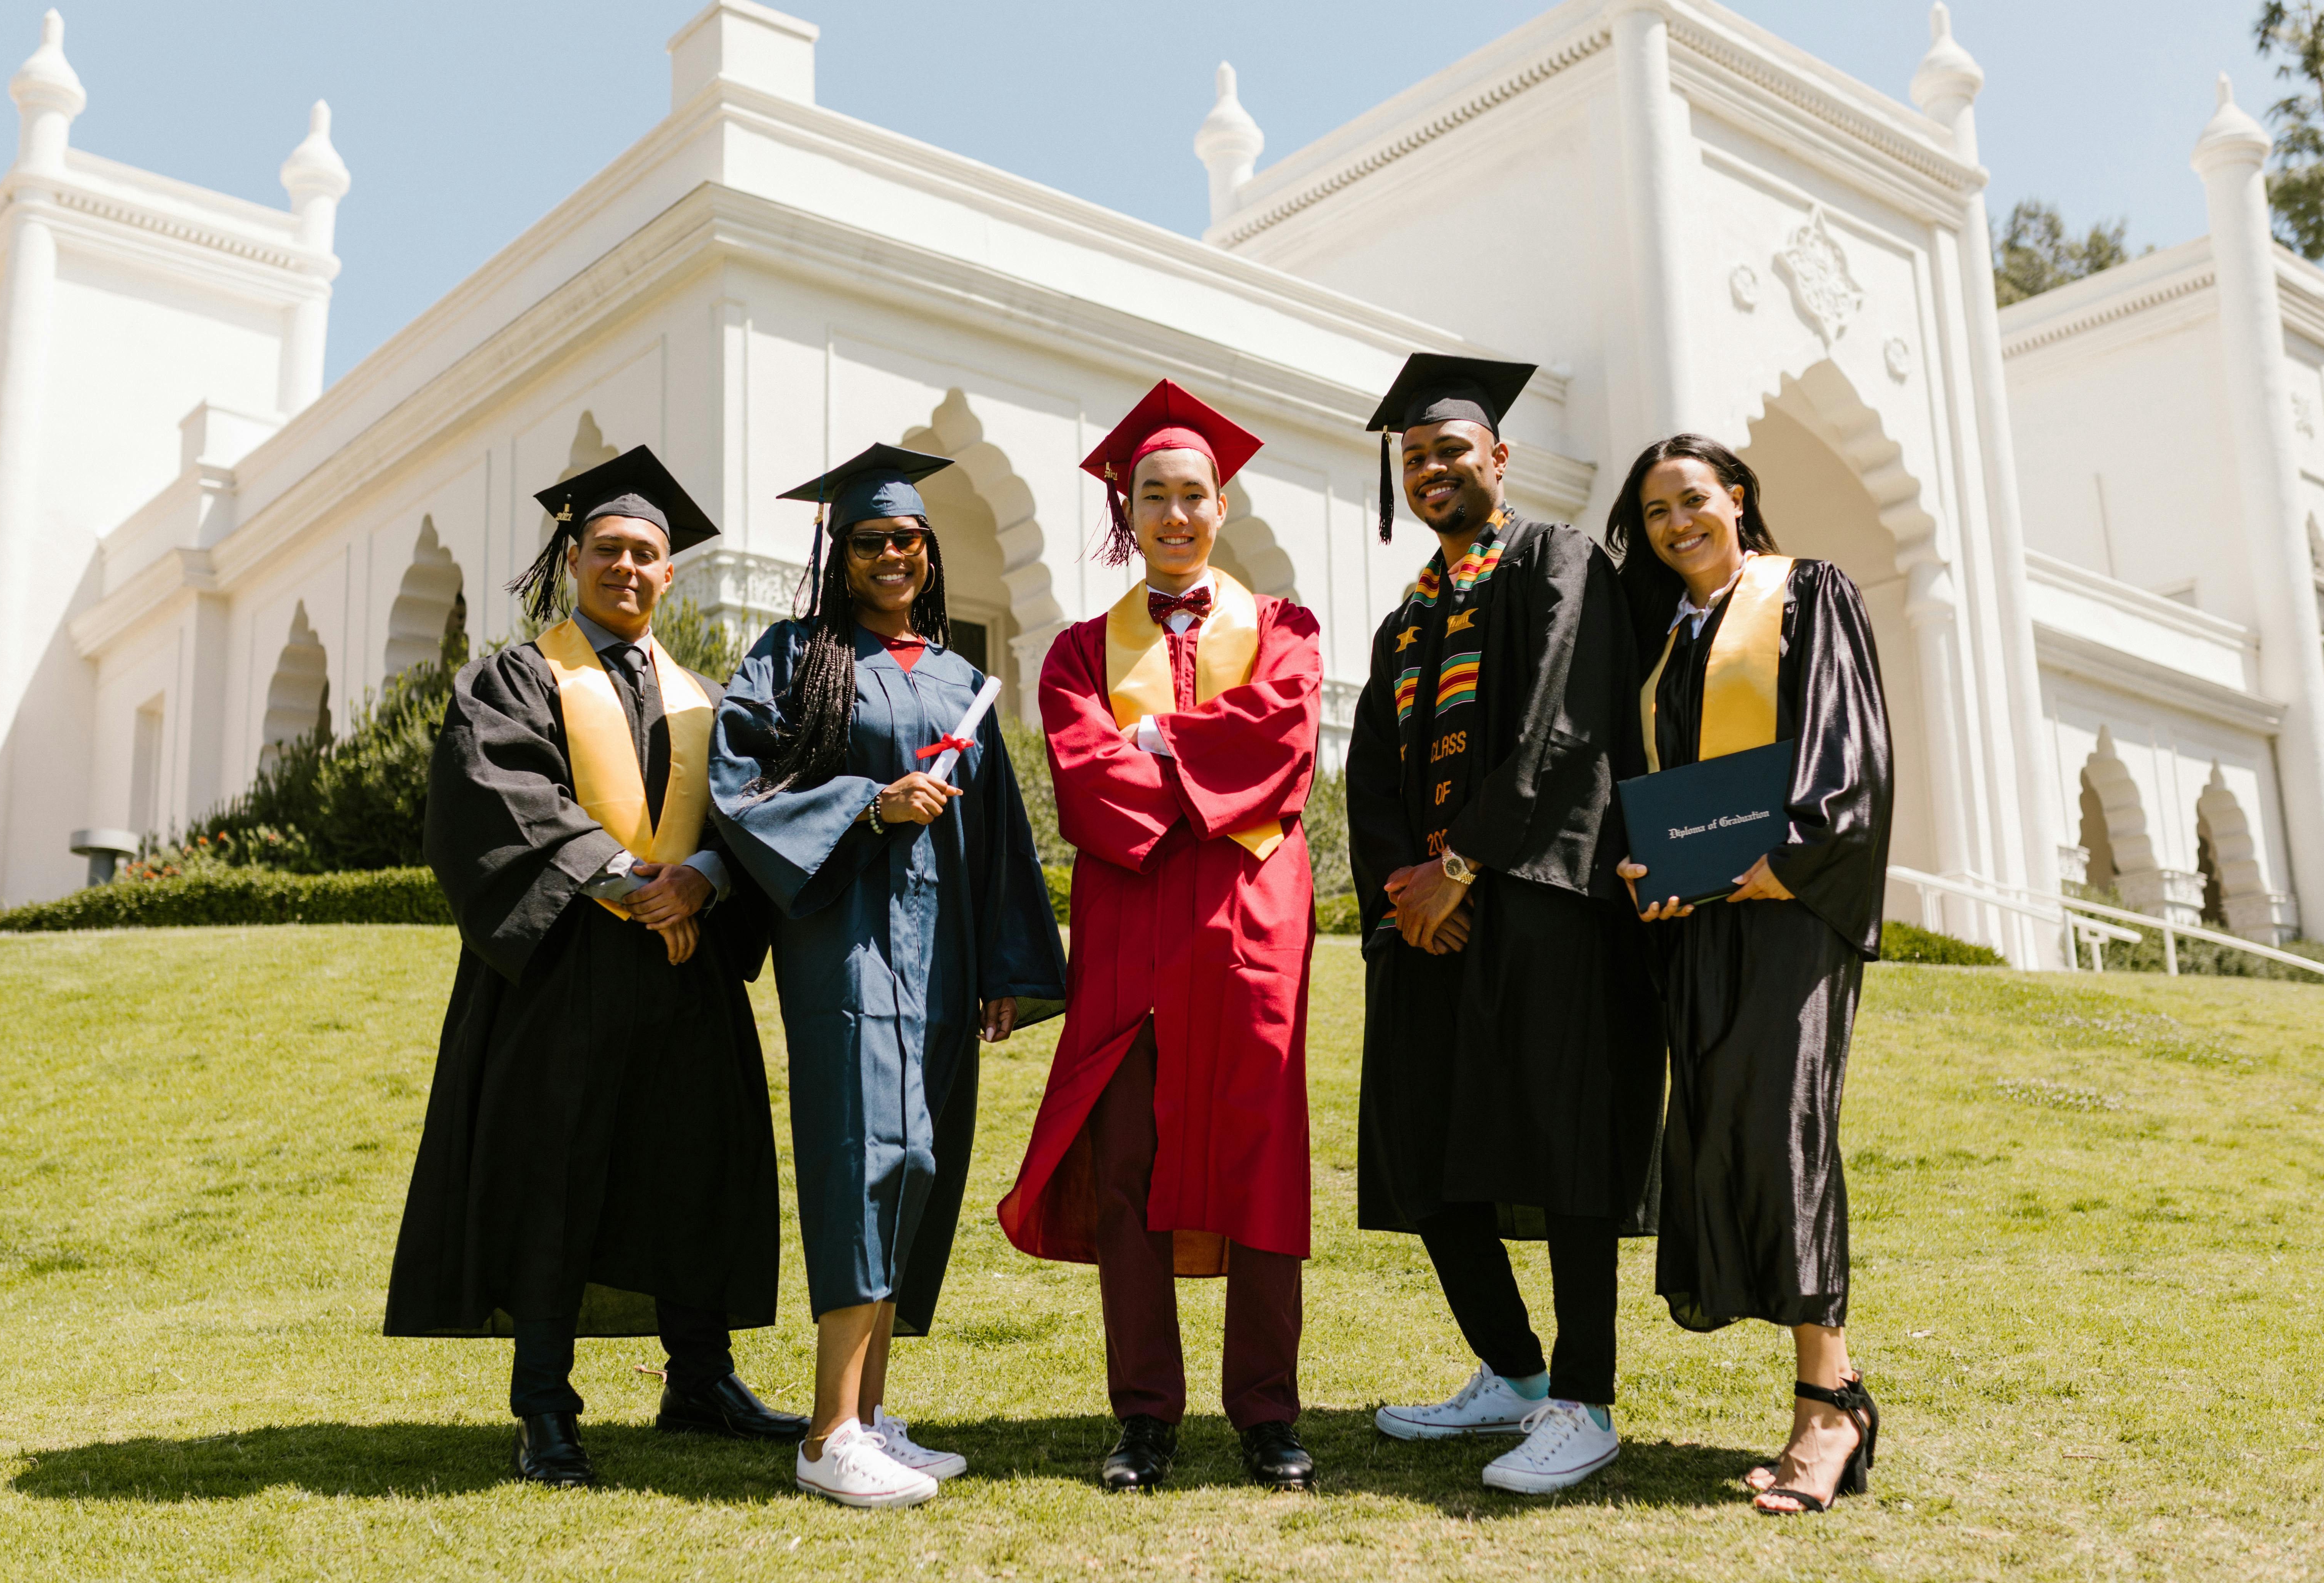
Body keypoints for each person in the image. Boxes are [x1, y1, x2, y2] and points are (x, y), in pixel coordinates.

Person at [385, 444, 803, 1490]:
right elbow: (500, 798)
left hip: (688, 972)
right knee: (554, 1178)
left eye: (646, 555)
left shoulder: (707, 699)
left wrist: (703, 875)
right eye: (609, 549)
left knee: (697, 1170)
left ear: (670, 577)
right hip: (567, 969)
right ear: (573, 560)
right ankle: (544, 1407)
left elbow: (753, 815)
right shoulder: (517, 679)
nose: (627, 568)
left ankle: (700, 1380)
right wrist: (623, 877)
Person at [710, 443, 1066, 1510]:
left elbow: (1000, 835)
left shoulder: (963, 679)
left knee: (920, 1159)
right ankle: (827, 1432)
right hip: (851, 948)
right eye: (869, 542)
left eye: (907, 540)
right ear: (840, 554)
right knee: (864, 1154)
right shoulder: (792, 660)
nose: (891, 557)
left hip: (947, 956)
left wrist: (1006, 962)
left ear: (928, 550)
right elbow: (741, 789)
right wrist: (868, 803)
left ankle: (870, 1414)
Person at [1345, 354, 1666, 1496]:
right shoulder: (1406, 620)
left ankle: (1584, 1400)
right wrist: (1405, 891)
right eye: (1416, 459)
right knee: (1421, 1147)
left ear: (1501, 458)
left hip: (1545, 903)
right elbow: (1371, 772)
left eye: (1451, 452)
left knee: (1564, 1143)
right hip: (1428, 925)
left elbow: (1560, 725)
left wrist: (1466, 866)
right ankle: (1513, 1374)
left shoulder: (1554, 561)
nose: (1433, 470)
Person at [1000, 380, 1322, 1494]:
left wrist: (1156, 746)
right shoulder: (1079, 653)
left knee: (1260, 1156)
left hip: (1250, 927)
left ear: (1222, 506)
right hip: (1134, 925)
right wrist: (1195, 763)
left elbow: (1283, 745)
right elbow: (1089, 788)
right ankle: (1144, 1414)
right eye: (1154, 497)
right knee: (1128, 1163)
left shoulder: (1284, 630)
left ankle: (1268, 1414)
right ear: (1124, 514)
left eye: (1195, 495)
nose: (1176, 516)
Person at [1606, 432, 1893, 1516]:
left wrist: (1787, 861)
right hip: (1702, 924)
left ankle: (1826, 1408)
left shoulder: (1806, 594)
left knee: (1786, 1130)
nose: (1677, 524)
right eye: (1655, 513)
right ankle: (1841, 1395)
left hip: (1784, 912)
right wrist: (1650, 862)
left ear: (1737, 497)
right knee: (1727, 1128)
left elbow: (1845, 748)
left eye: (1693, 499)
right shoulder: (1670, 645)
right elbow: (1665, 787)